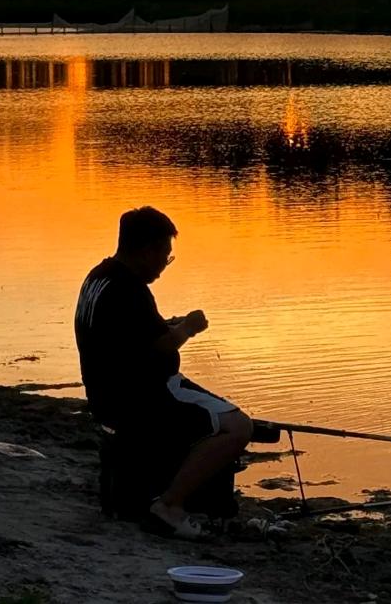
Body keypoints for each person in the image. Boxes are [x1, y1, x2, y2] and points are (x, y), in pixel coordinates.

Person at [74, 206, 253, 539]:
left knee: (217, 417)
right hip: (141, 396)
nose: (163, 265)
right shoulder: (129, 290)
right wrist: (188, 327)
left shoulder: (98, 277)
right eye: (165, 256)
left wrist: (167, 325)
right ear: (147, 251)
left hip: (106, 395)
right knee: (238, 427)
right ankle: (169, 505)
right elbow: (161, 347)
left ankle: (176, 494)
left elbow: (128, 335)